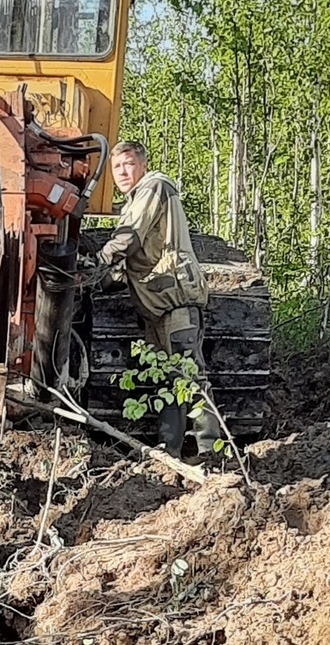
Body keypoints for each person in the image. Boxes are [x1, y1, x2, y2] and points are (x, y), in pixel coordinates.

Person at [97, 141, 221, 458]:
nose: (122, 172)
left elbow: (127, 239)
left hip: (175, 302)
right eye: (116, 167)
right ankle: (171, 451)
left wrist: (98, 260)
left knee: (190, 377)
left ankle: (211, 451)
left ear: (142, 164)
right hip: (156, 309)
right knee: (168, 383)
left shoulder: (154, 186)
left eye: (128, 164)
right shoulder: (136, 203)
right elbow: (130, 264)